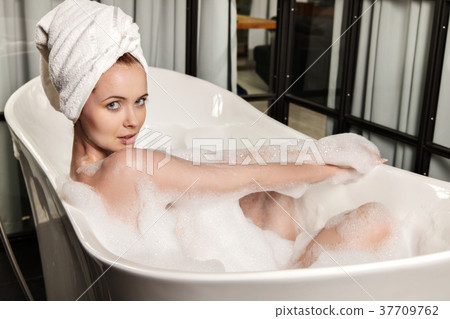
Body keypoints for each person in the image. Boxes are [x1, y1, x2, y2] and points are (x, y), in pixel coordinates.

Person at [36, 0, 390, 268]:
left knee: (273, 196)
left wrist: (309, 153)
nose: (133, 120)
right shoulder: (125, 166)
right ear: (76, 103)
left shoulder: (86, 171)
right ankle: (297, 278)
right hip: (241, 284)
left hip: (217, 260)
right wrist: (326, 168)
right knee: (377, 219)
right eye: (114, 105)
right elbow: (221, 175)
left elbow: (206, 168)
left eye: (140, 101)